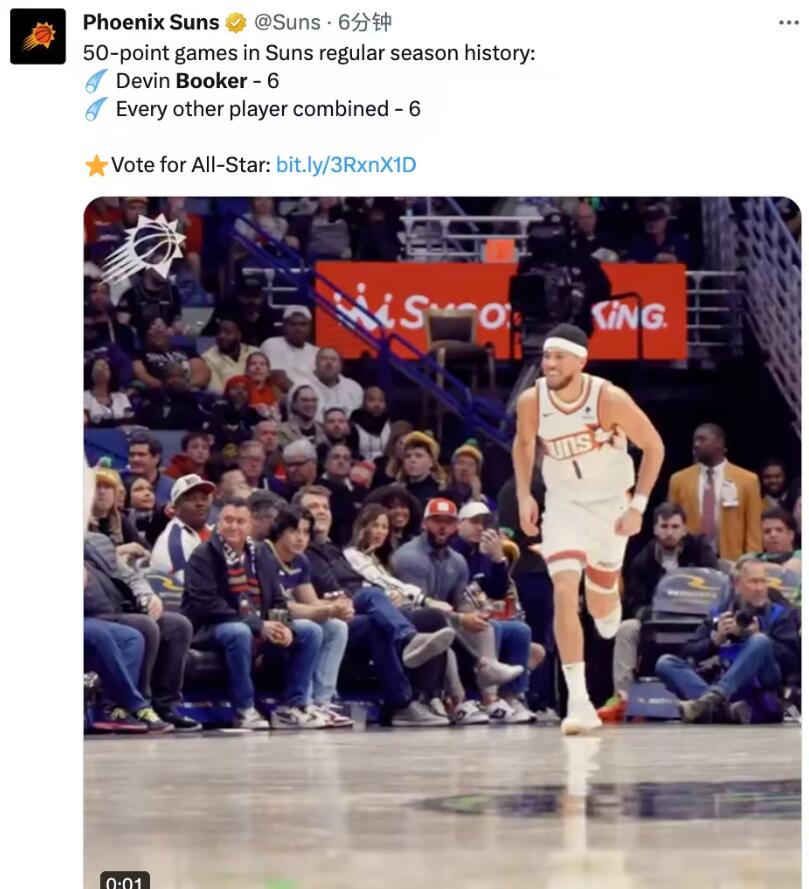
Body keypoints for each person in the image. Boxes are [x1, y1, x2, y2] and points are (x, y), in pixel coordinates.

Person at [513, 323, 665, 734]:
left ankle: (607, 597)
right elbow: (524, 444)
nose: (549, 364)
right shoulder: (532, 400)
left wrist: (638, 507)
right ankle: (578, 702)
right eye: (546, 356)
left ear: (580, 361)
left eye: (558, 357)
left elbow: (654, 446)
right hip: (564, 505)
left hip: (609, 505)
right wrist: (525, 495)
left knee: (601, 610)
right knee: (564, 590)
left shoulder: (609, 398)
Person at [296, 487, 456, 726]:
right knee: (374, 608)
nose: (321, 511)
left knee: (433, 618)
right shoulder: (302, 551)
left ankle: (426, 697)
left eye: (325, 507)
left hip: (355, 605)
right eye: (313, 507)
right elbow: (317, 595)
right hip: (332, 612)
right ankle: (401, 700)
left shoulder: (333, 549)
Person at [182, 497, 326, 730]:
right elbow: (208, 605)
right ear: (218, 522)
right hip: (210, 627)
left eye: (240, 521)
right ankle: (244, 709)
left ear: (251, 525)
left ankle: (293, 707)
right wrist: (259, 626)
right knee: (239, 632)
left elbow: (277, 599)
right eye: (228, 520)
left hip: (255, 623)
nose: (234, 526)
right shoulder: (204, 554)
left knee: (310, 631)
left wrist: (284, 626)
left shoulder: (260, 554)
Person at [392, 498, 528, 724]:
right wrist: (461, 617)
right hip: (410, 619)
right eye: (437, 521)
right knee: (440, 624)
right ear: (425, 523)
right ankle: (460, 701)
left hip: (444, 617)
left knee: (483, 625)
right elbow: (418, 606)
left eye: (448, 521)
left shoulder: (457, 560)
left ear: (455, 525)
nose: (442, 527)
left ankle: (491, 698)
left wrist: (472, 614)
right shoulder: (410, 557)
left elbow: (463, 600)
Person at [598, 502, 719, 722]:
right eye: (664, 526)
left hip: (698, 619)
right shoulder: (641, 560)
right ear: (654, 529)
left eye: (675, 527)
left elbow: (716, 587)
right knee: (627, 628)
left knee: (723, 625)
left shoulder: (701, 550)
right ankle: (622, 697)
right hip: (658, 622)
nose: (669, 532)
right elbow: (634, 602)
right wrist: (650, 615)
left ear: (684, 529)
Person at [656, 558, 801, 724]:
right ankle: (721, 710)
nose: (759, 588)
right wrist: (714, 641)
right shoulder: (720, 614)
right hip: (724, 681)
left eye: (763, 581)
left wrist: (758, 634)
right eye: (753, 582)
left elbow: (792, 662)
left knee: (760, 641)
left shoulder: (781, 613)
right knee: (665, 663)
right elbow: (688, 652)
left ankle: (712, 701)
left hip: (763, 682)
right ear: (737, 585)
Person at [85, 532, 199, 731]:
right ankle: (132, 706)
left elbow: (130, 576)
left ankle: (164, 707)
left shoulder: (97, 542)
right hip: (93, 616)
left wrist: (147, 596)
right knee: (144, 626)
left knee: (178, 625)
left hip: (120, 610)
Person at [451, 501, 536, 723]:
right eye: (474, 522)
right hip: (457, 616)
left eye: (484, 523)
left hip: (480, 613)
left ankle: (512, 697)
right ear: (459, 524)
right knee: (490, 627)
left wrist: (498, 559)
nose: (480, 528)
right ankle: (484, 698)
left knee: (520, 630)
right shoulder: (452, 552)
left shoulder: (482, 552)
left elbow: (497, 592)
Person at [668, 423, 762, 560]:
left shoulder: (747, 480)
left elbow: (754, 526)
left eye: (702, 439)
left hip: (733, 560)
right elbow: (671, 524)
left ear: (719, 442)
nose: (696, 445)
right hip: (690, 560)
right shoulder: (678, 480)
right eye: (695, 440)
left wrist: (752, 560)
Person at [150, 475, 216, 583]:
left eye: (204, 498)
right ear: (175, 508)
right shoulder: (174, 543)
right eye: (191, 499)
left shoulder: (214, 532)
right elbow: (190, 587)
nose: (200, 503)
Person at [133, 317, 210, 391]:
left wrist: (187, 386)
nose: (159, 331)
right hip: (159, 394)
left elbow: (202, 375)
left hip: (190, 391)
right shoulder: (139, 355)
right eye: (153, 330)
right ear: (144, 336)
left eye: (162, 328)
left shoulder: (186, 350)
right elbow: (142, 376)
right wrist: (166, 387)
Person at [89, 467, 150, 555]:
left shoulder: (120, 519)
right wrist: (121, 550)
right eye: (97, 486)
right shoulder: (84, 522)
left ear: (115, 494)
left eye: (107, 487)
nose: (102, 492)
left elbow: (146, 548)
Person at [136, 362, 213, 431]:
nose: (176, 380)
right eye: (171, 377)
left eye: (179, 376)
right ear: (163, 380)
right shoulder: (153, 399)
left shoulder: (195, 398)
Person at [260, 306, 319, 391]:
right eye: (293, 324)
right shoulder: (272, 344)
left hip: (314, 396)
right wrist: (299, 394)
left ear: (310, 327)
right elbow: (277, 377)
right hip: (287, 395)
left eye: (303, 324)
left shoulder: (317, 352)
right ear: (284, 326)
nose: (298, 329)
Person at [319, 443, 363, 545]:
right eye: (336, 457)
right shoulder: (316, 487)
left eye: (346, 459)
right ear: (325, 463)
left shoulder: (361, 491)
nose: (341, 461)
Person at [209, 376, 263, 457]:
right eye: (234, 388)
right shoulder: (216, 412)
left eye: (244, 389)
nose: (240, 392)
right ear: (227, 392)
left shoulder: (253, 415)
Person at [117, 267, 183, 332]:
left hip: (166, 337)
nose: (166, 271)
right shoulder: (130, 295)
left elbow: (177, 324)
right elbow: (122, 327)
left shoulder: (172, 292)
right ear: (148, 268)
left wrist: (169, 331)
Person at [202, 319, 258, 396]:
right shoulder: (208, 358)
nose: (221, 336)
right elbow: (216, 390)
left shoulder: (254, 352)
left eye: (228, 333)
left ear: (239, 335)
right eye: (218, 332)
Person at [84, 276, 136, 354]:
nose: (98, 296)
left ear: (109, 297)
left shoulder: (123, 332)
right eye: (94, 292)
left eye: (103, 292)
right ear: (87, 297)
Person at [627, 204, 693, 266]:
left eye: (656, 219)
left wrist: (675, 260)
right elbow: (630, 264)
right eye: (648, 219)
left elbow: (689, 265)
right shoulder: (637, 244)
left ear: (665, 221)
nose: (652, 223)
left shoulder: (679, 243)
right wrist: (654, 258)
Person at [309, 348, 364, 421]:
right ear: (316, 364)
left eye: (333, 359)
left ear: (341, 366)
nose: (329, 362)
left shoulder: (354, 388)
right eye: (324, 359)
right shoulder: (304, 386)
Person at [364, 484, 422, 550]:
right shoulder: (370, 545)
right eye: (391, 507)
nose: (399, 511)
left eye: (403, 506)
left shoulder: (417, 543)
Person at [397, 431, 446, 508]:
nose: (412, 460)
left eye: (418, 456)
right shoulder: (397, 492)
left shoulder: (441, 491)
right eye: (408, 456)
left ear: (431, 462)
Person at [83, 356, 134, 427]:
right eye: (99, 366)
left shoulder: (121, 397)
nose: (102, 370)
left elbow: (129, 421)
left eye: (106, 367)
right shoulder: (84, 397)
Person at [126, 433, 174, 506]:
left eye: (141, 455)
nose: (135, 459)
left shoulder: (172, 488)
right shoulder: (120, 485)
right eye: (132, 455)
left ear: (156, 458)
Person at [748, 508, 802, 573]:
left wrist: (757, 567)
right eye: (767, 531)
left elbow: (790, 571)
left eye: (779, 530)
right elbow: (742, 565)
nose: (773, 535)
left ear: (791, 534)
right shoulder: (753, 556)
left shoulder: (800, 555)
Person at [444, 440, 492, 509]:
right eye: (461, 463)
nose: (465, 468)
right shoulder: (441, 496)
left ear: (477, 472)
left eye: (470, 465)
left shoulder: (486, 502)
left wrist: (476, 496)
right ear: (453, 468)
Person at [278, 382, 327, 449]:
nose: (310, 404)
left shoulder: (324, 430)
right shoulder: (282, 432)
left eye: (313, 400)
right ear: (294, 404)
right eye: (304, 400)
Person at [124, 477, 169, 548]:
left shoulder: (162, 519)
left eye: (150, 490)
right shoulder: (121, 521)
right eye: (139, 489)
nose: (147, 493)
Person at [351, 386, 391, 461]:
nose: (377, 404)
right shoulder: (353, 425)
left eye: (381, 400)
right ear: (364, 402)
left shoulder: (390, 424)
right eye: (372, 400)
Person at [372, 420, 414, 487]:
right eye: (401, 443)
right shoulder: (379, 463)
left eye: (408, 444)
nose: (404, 448)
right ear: (394, 444)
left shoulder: (412, 469)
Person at [245, 351, 279, 419]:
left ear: (268, 372)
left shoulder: (276, 392)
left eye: (262, 364)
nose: (258, 367)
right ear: (247, 371)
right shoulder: (240, 389)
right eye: (253, 364)